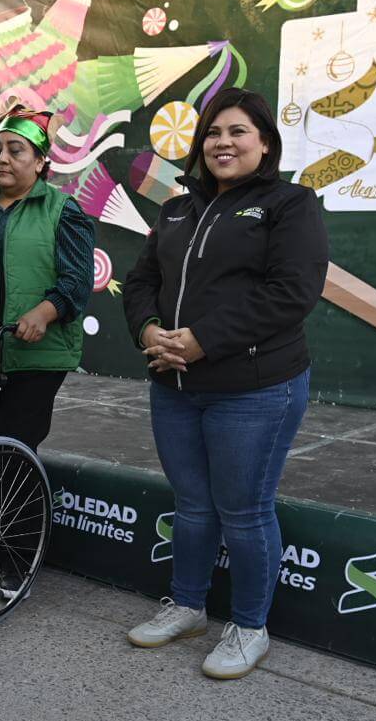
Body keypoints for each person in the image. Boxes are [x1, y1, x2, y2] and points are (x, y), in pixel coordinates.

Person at [121, 87, 328, 679]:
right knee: (191, 505)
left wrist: (202, 340)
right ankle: (188, 606)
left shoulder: (292, 204)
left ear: (265, 143)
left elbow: (291, 293)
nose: (223, 142)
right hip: (176, 385)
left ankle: (248, 626)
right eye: (213, 132)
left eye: (238, 132)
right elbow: (140, 283)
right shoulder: (176, 209)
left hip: (255, 389)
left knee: (243, 509)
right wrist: (150, 331)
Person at [0, 105, 95, 451]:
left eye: (16, 151)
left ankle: (20, 508)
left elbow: (77, 281)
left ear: (41, 162)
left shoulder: (63, 210)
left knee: (10, 449)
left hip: (29, 355)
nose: (2, 158)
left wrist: (43, 313)